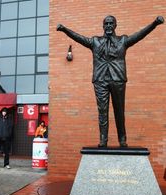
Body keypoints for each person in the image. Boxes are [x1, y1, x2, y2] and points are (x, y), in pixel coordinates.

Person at [57, 15, 164, 147]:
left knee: (119, 110)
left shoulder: (123, 40)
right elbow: (79, 38)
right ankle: (103, 139)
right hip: (100, 80)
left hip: (118, 79)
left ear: (115, 26)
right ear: (103, 26)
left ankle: (122, 139)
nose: (108, 26)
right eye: (106, 23)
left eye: (111, 23)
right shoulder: (95, 41)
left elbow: (140, 35)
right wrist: (64, 29)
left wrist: (154, 23)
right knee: (102, 111)